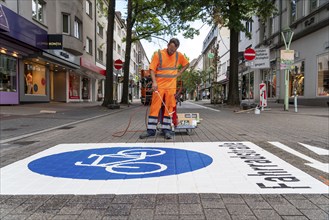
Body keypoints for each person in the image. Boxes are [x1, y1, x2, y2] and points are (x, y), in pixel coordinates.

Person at [139, 38, 189, 139]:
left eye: (173, 50)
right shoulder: (159, 54)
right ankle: (151, 130)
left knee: (169, 108)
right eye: (170, 48)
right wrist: (154, 82)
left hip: (171, 87)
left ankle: (167, 130)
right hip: (159, 86)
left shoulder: (178, 55)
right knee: (155, 107)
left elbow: (187, 64)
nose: (171, 51)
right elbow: (152, 69)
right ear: (167, 45)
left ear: (176, 49)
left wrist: (180, 72)